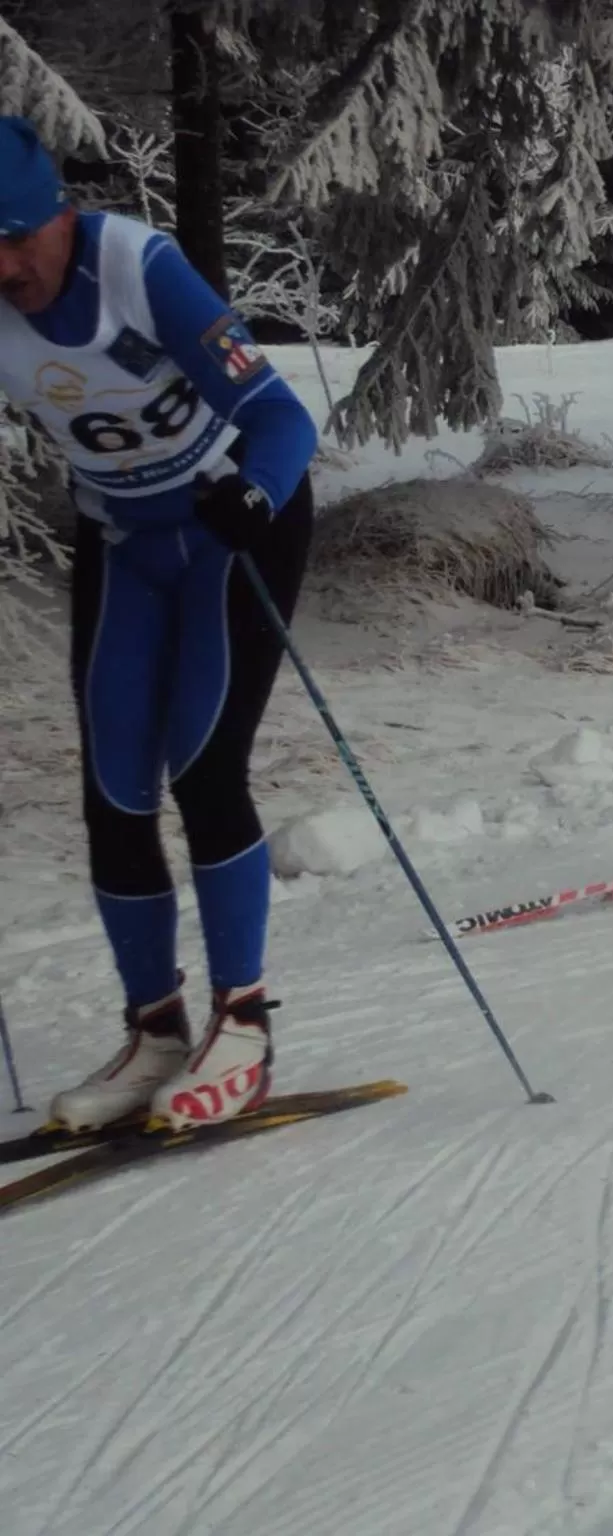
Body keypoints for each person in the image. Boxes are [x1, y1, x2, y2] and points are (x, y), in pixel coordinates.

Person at [0, 118, 318, 1130]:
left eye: (17, 238)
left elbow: (284, 419)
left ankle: (246, 1024)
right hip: (122, 541)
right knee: (112, 789)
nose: (6, 268)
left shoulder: (139, 269)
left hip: (233, 528)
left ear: (61, 213)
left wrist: (256, 495)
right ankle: (156, 1032)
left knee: (204, 767)